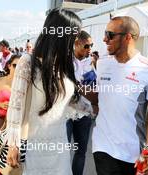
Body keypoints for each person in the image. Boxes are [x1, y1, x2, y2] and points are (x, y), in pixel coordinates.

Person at [6, 8, 82, 175]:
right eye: (74, 35)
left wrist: (97, 105)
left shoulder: (65, 66)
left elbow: (73, 101)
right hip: (34, 149)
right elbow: (15, 106)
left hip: (59, 149)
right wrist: (13, 144)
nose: (76, 41)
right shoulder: (28, 62)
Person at [84, 16, 148, 175]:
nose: (105, 39)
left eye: (110, 34)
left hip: (134, 152)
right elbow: (100, 98)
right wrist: (77, 88)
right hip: (103, 146)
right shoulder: (102, 63)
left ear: (128, 37)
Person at [66, 30, 94, 175]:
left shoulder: (92, 62)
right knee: (63, 151)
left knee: (80, 152)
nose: (89, 49)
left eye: (91, 46)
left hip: (84, 113)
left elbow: (95, 88)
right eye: (87, 46)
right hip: (66, 113)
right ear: (76, 44)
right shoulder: (65, 61)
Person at [0, 54, 21, 175]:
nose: (17, 69)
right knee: (0, 162)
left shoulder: (25, 84)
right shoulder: (0, 81)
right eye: (15, 65)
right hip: (0, 126)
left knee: (15, 164)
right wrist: (1, 105)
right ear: (8, 66)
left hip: (18, 128)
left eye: (20, 66)